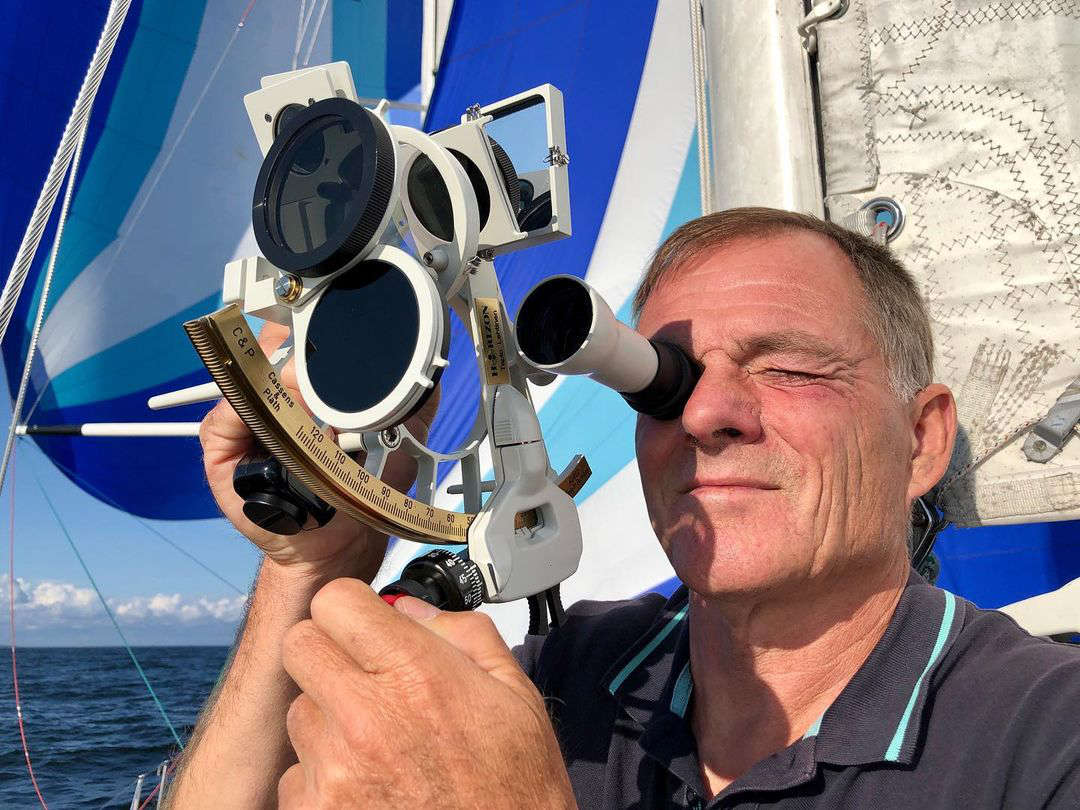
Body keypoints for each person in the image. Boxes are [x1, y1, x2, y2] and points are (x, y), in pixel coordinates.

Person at [165, 208, 1080, 809]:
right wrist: (313, 564)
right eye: (660, 383)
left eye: (792, 369)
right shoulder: (569, 677)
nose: (707, 412)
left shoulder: (1046, 743)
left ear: (921, 440)